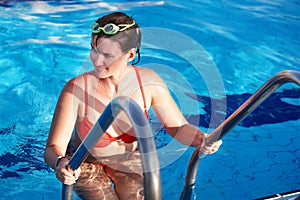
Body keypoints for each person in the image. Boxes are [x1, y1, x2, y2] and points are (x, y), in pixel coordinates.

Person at [44, 11, 222, 200]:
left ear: (129, 54)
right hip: (88, 164)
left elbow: (177, 127)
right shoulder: (75, 89)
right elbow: (53, 147)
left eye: (106, 55)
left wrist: (201, 138)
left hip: (128, 159)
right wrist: (60, 163)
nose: (96, 60)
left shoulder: (149, 82)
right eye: (93, 50)